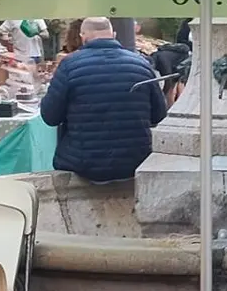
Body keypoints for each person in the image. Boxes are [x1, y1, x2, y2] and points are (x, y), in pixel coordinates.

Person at [40, 16, 167, 184]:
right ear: (113, 34)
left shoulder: (69, 66)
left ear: (83, 36)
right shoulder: (141, 64)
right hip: (135, 160)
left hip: (83, 163)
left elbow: (50, 117)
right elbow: (159, 115)